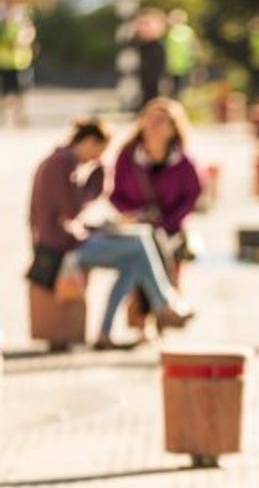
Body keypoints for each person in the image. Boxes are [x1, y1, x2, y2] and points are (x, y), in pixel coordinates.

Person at [27, 117, 193, 350]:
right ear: (90, 142)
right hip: (63, 247)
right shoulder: (63, 162)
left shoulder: (58, 160)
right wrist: (96, 186)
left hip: (65, 240)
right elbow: (72, 209)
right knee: (141, 239)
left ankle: (106, 332)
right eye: (100, 151)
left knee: (133, 260)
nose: (98, 158)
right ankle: (163, 303)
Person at [109, 97, 202, 332]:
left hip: (171, 229)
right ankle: (141, 321)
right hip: (136, 227)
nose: (155, 126)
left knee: (168, 261)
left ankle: (164, 317)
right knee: (138, 258)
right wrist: (133, 215)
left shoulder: (184, 161)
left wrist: (168, 223)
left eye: (162, 121)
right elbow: (115, 194)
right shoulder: (128, 156)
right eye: (150, 119)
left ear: (174, 128)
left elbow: (193, 196)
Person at [0, 5, 36, 126]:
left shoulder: (25, 27)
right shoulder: (4, 28)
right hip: (6, 64)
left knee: (21, 92)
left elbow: (27, 39)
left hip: (22, 63)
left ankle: (20, 116)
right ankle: (3, 116)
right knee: (6, 92)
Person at [164, 9, 198, 99]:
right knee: (176, 87)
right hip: (174, 64)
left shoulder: (184, 31)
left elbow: (192, 47)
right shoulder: (172, 32)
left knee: (180, 87)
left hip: (182, 64)